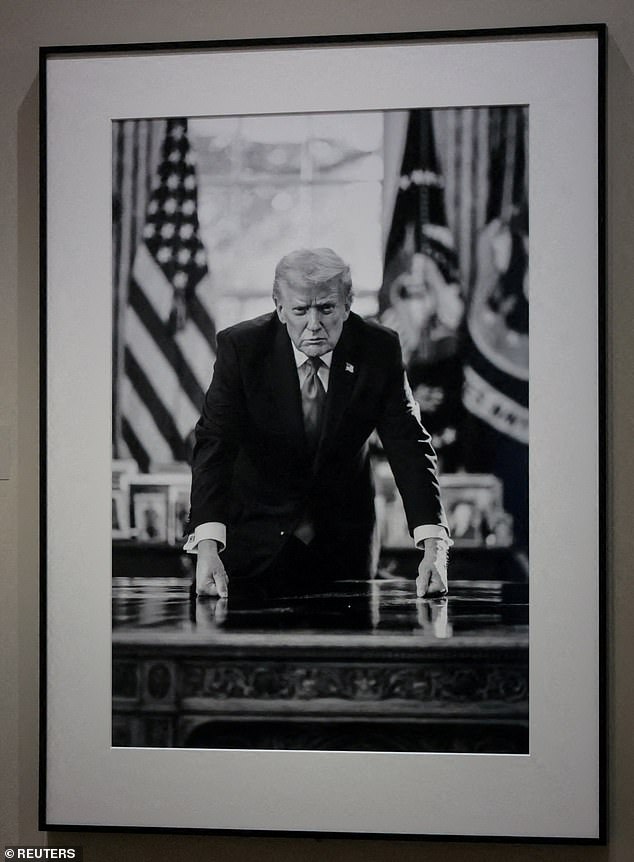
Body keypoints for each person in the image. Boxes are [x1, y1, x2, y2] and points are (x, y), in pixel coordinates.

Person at [184, 248, 450, 600]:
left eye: (326, 308)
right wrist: (206, 546)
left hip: (344, 549)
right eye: (300, 310)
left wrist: (434, 547)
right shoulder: (242, 348)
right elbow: (214, 445)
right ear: (279, 308)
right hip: (253, 544)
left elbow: (410, 446)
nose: (314, 324)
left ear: (347, 304)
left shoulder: (378, 348)